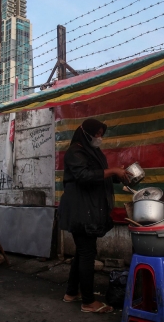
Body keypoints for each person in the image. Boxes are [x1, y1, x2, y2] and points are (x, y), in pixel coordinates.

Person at [58, 118, 129, 313]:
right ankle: (88, 302)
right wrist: (112, 170)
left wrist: (118, 174)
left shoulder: (92, 151)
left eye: (101, 134)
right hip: (80, 210)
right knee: (88, 253)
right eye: (96, 134)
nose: (99, 138)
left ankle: (71, 292)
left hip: (87, 208)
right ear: (85, 133)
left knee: (82, 252)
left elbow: (99, 173)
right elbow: (85, 176)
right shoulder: (75, 152)